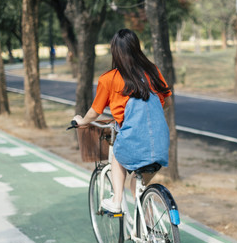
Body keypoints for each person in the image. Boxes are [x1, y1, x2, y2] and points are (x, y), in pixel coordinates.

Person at [73, 29, 172, 213]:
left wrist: (82, 121)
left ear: (115, 52)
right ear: (137, 48)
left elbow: (95, 112)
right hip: (160, 143)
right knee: (138, 184)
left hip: (134, 141)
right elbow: (166, 102)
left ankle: (116, 200)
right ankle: (148, 229)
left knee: (118, 155)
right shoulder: (153, 71)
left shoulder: (109, 79)